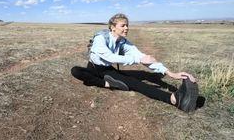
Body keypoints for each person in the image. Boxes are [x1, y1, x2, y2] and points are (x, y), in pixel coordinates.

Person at [71, 13, 199, 112]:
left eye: (127, 25)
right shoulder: (100, 38)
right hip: (93, 67)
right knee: (75, 71)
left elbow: (142, 57)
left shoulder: (124, 42)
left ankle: (173, 99)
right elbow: (110, 58)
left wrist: (170, 73)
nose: (126, 28)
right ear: (113, 28)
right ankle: (106, 84)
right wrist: (138, 60)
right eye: (123, 25)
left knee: (134, 82)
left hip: (107, 70)